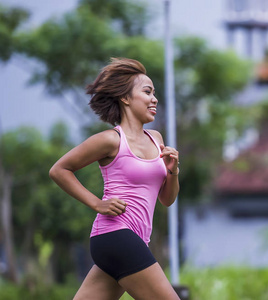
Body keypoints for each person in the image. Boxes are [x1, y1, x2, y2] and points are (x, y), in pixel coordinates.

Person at [49, 57, 180, 300]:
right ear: (126, 98)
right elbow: (59, 170)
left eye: (155, 93)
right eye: (148, 92)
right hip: (116, 234)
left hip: (133, 240)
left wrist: (172, 171)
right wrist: (97, 204)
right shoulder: (111, 140)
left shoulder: (157, 139)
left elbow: (167, 200)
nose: (155, 99)